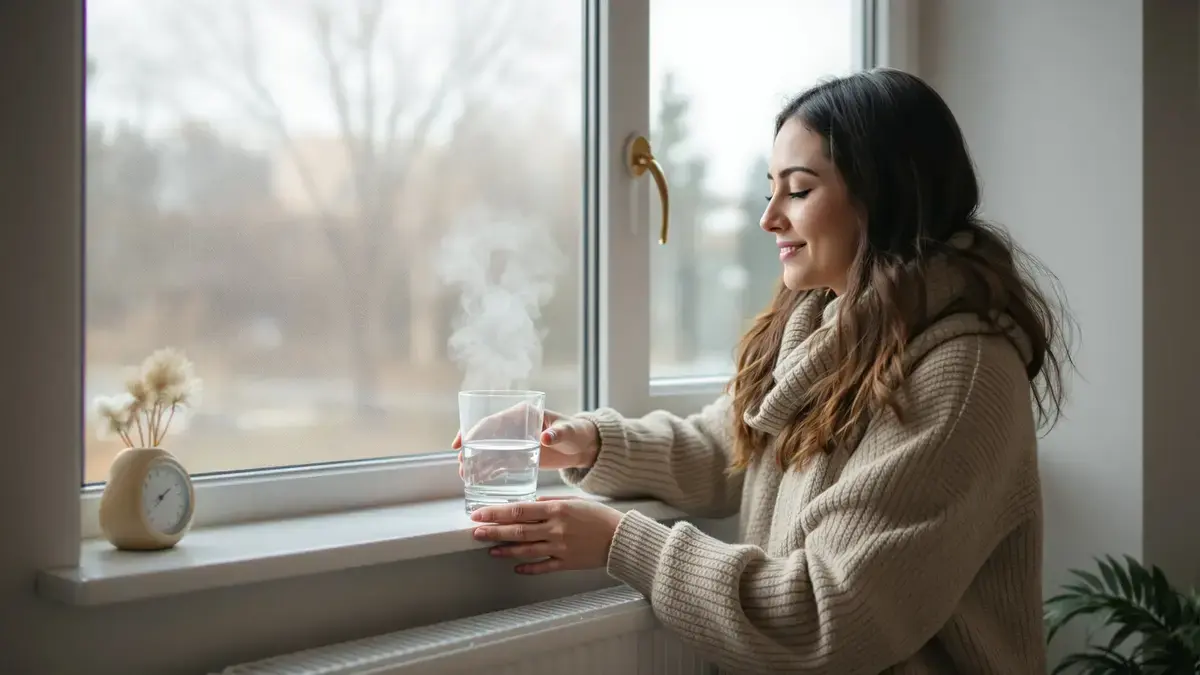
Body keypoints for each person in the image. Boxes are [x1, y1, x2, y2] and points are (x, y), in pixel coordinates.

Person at [453, 68, 1071, 674]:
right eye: (768, 188)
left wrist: (622, 542)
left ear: (883, 196)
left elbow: (830, 614)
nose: (768, 217)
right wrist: (587, 440)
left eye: (798, 190)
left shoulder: (960, 377)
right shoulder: (825, 326)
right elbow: (732, 446)